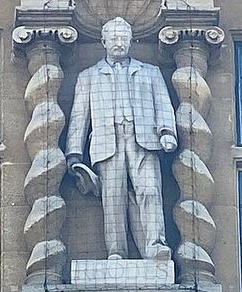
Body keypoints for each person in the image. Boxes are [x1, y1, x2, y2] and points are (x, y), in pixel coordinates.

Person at [65, 16, 177, 261]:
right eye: (114, 38)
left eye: (123, 38)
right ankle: (116, 251)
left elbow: (163, 104)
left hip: (144, 140)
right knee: (113, 199)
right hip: (107, 141)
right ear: (103, 42)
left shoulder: (150, 72)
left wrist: (167, 132)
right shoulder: (88, 76)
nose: (119, 43)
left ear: (131, 41)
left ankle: (156, 245)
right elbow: (79, 117)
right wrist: (74, 154)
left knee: (150, 190)